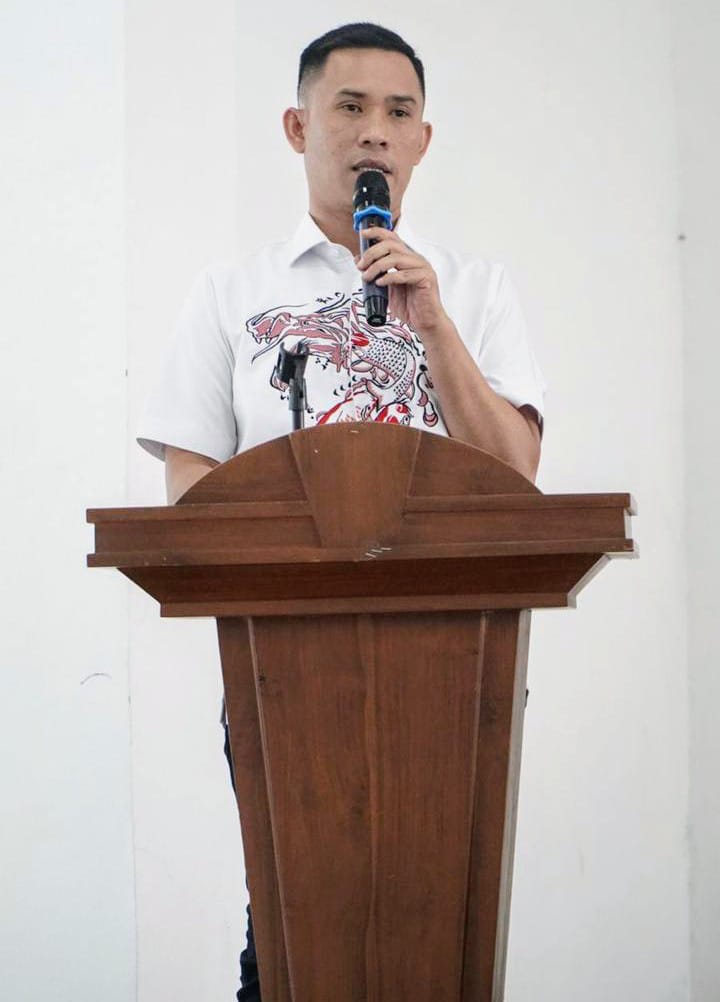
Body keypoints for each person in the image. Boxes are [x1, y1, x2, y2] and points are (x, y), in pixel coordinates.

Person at [138, 22, 545, 1002]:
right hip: (284, 669)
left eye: (398, 113)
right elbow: (191, 494)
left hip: (455, 660)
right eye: (350, 108)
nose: (375, 133)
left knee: (437, 925)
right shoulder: (231, 293)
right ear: (298, 127)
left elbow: (516, 476)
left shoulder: (476, 290)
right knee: (289, 926)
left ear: (422, 141)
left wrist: (433, 325)